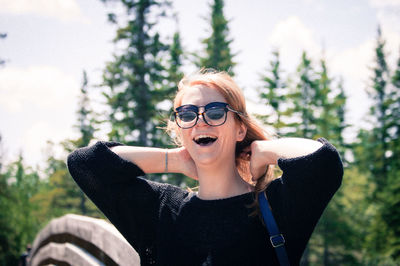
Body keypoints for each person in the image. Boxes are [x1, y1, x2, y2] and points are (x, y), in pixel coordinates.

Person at [67, 70, 343, 266]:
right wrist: (173, 159)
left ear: (239, 130)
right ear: (179, 132)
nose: (200, 121)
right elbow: (86, 164)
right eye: (187, 114)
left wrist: (262, 150)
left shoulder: (275, 207)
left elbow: (323, 161)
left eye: (214, 111)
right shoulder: (160, 210)